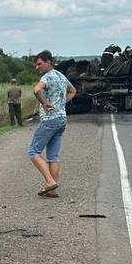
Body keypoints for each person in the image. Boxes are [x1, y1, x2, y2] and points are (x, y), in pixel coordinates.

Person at [28, 51, 74, 197]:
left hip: (49, 119)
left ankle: (50, 182)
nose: (37, 67)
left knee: (33, 151)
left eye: (39, 64)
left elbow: (36, 90)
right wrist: (62, 103)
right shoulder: (61, 76)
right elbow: (73, 91)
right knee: (53, 156)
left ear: (48, 62)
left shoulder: (47, 77)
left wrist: (44, 102)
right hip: (62, 119)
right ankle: (53, 190)